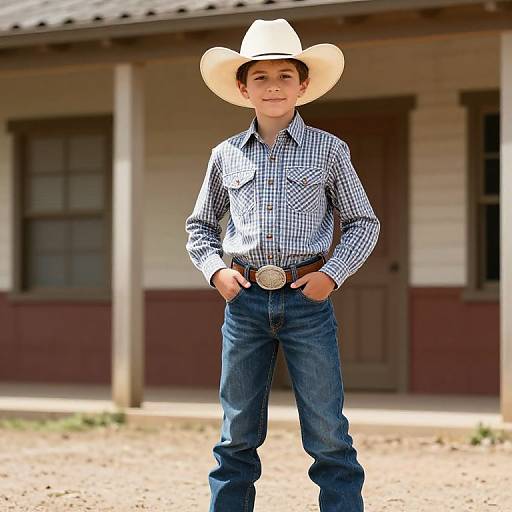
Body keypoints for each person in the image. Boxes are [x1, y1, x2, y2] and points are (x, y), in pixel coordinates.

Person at [185, 18, 380, 512]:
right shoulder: (225, 155)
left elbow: (363, 222)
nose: (273, 87)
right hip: (244, 303)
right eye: (261, 78)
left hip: (306, 305)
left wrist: (332, 274)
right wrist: (216, 272)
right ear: (242, 86)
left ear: (304, 84)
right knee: (235, 437)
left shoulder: (330, 150)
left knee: (329, 434)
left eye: (284, 77)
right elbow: (199, 227)